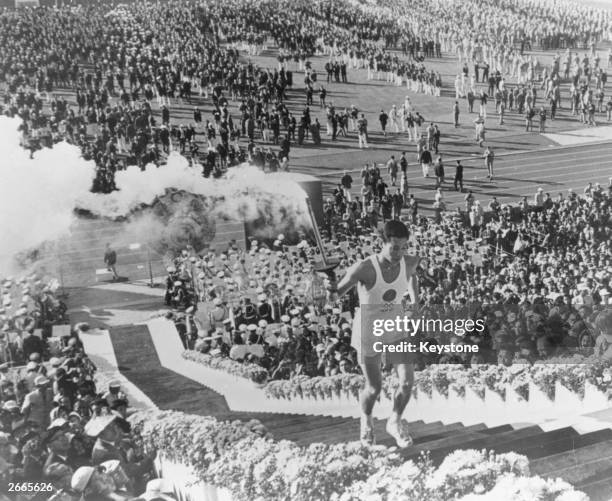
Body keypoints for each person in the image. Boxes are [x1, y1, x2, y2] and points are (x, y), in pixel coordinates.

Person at [330, 220, 419, 448]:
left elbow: (412, 276)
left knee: (407, 382)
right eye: (394, 247)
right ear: (383, 243)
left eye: (403, 247)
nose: (399, 253)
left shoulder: (409, 261)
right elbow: (335, 295)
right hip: (369, 332)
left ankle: (394, 421)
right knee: (374, 388)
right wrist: (327, 287)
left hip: (396, 328)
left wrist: (415, 303)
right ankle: (366, 420)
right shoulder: (364, 268)